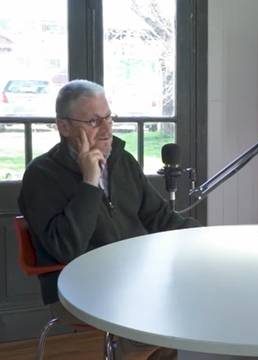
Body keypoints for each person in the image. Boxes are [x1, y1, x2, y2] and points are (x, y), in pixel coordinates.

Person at [18, 79, 200, 359]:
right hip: (75, 287)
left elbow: (159, 217)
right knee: (164, 313)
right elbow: (66, 248)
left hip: (135, 276)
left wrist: (207, 239)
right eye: (93, 121)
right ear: (63, 126)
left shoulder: (123, 161)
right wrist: (90, 182)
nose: (106, 129)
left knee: (195, 293)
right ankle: (131, 349)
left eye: (108, 118)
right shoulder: (41, 175)